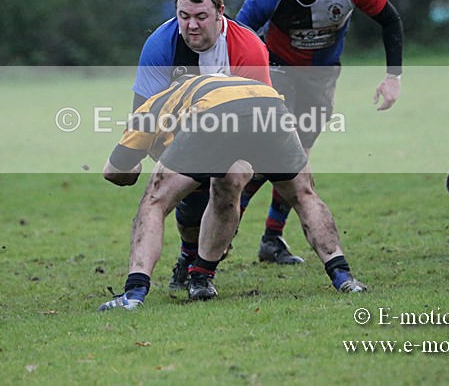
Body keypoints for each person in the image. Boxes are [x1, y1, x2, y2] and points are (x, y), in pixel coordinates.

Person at [98, 74, 367, 311]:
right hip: (270, 103)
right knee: (301, 194)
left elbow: (115, 171)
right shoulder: (210, 85)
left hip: (214, 112)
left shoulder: (151, 108)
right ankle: (344, 277)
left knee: (155, 201)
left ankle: (134, 294)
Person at [235, 0, 404, 264]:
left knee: (298, 158)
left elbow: (390, 19)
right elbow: (238, 36)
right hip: (277, 72)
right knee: (275, 154)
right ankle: (226, 228)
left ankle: (272, 238)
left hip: (322, 78)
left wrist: (393, 77)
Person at [133, 0, 272, 292]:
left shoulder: (248, 47)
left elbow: (262, 122)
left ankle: (201, 271)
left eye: (200, 16)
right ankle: (186, 255)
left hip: (243, 134)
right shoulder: (160, 45)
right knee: (186, 199)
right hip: (180, 137)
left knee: (232, 181)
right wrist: (133, 158)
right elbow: (142, 117)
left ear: (220, 11)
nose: (191, 25)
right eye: (184, 16)